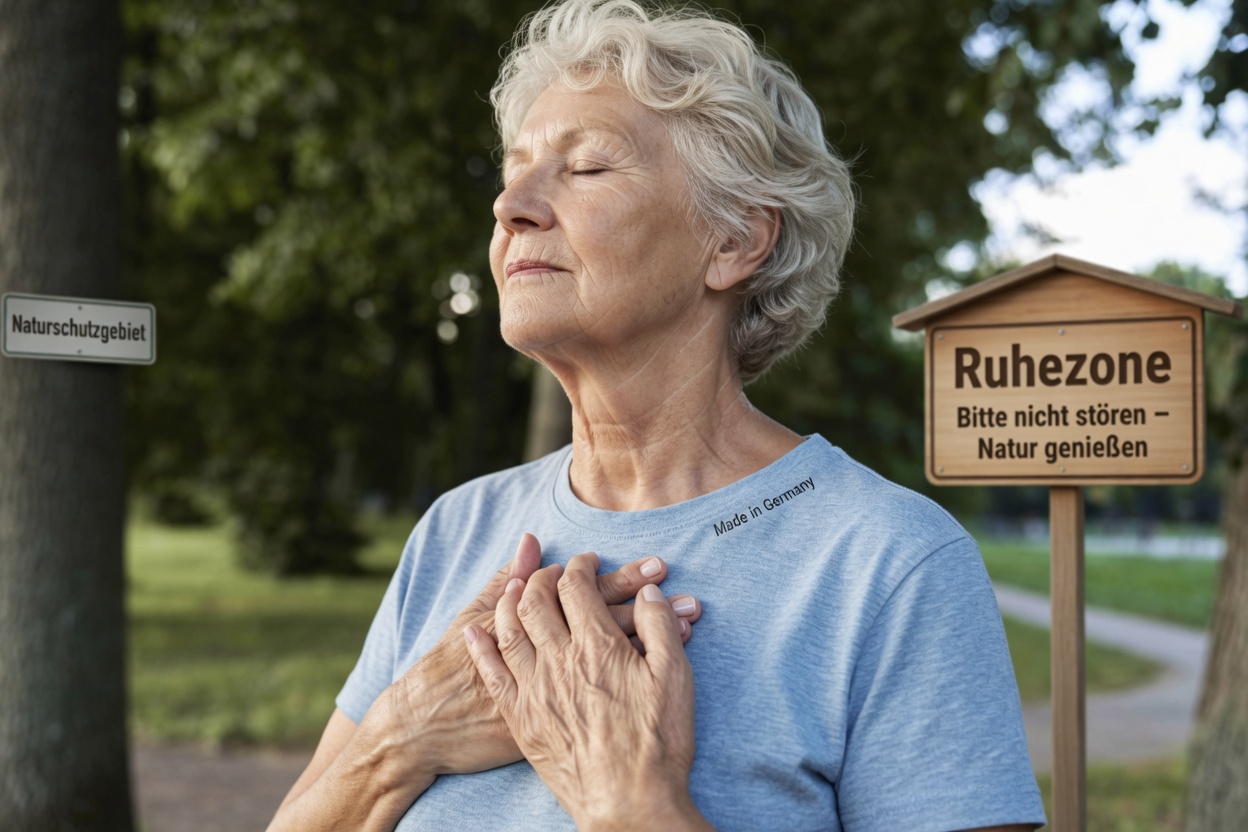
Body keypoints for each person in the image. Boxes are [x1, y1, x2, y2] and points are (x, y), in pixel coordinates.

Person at [268, 1, 1045, 830]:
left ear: (735, 241)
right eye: (514, 171)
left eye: (588, 168)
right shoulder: (457, 531)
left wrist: (630, 799)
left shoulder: (889, 565)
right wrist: (404, 733)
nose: (512, 206)